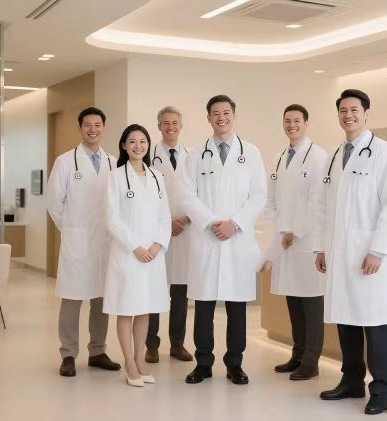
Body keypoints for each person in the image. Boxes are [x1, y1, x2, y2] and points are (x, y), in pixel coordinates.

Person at [314, 89, 387, 415]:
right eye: (343, 110)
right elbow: (323, 207)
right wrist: (321, 247)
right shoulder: (334, 155)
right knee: (346, 319)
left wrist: (378, 250)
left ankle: (381, 389)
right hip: (339, 253)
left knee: (374, 322)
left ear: (366, 113)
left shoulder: (383, 152)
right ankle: (351, 380)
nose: (348, 115)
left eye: (354, 109)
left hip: (368, 254)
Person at [180, 95, 267, 385]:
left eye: (226, 112)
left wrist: (235, 223)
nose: (221, 118)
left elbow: (259, 195)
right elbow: (186, 194)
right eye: (215, 113)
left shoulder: (251, 152)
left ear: (234, 115)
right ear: (208, 118)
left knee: (237, 307)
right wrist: (210, 221)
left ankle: (235, 364)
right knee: (204, 306)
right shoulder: (195, 154)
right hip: (206, 238)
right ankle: (203, 363)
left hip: (237, 239)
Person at [47, 107, 121, 377]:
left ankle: (98, 351)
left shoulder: (114, 163)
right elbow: (54, 204)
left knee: (101, 299)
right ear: (80, 128)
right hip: (77, 242)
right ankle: (68, 354)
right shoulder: (66, 162)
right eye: (88, 125)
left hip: (105, 242)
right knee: (72, 299)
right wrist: (72, 230)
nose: (93, 129)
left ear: (104, 128)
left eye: (98, 125)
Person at [261, 104, 328, 381]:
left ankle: (311, 361)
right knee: (294, 301)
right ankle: (297, 354)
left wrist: (294, 232)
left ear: (306, 123)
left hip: (307, 241)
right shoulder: (278, 158)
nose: (292, 125)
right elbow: (270, 199)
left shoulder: (319, 156)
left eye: (297, 120)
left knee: (311, 303)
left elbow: (317, 203)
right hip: (284, 241)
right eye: (287, 121)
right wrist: (278, 230)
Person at [103, 124, 171, 387]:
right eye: (132, 141)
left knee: (145, 309)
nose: (138, 146)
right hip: (128, 254)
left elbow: (164, 216)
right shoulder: (116, 177)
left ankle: (139, 361)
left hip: (153, 256)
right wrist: (135, 246)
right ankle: (129, 364)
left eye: (142, 141)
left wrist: (157, 245)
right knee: (126, 308)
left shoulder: (157, 176)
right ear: (123, 145)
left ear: (148, 145)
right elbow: (111, 218)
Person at [146, 106, 193, 364]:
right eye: (166, 123)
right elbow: (144, 196)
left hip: (185, 230)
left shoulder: (192, 156)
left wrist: (185, 218)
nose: (170, 127)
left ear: (181, 125)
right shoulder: (148, 156)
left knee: (180, 292)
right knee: (155, 288)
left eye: (175, 122)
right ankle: (151, 345)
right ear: (159, 126)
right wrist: (165, 223)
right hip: (157, 232)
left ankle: (177, 344)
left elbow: (199, 193)